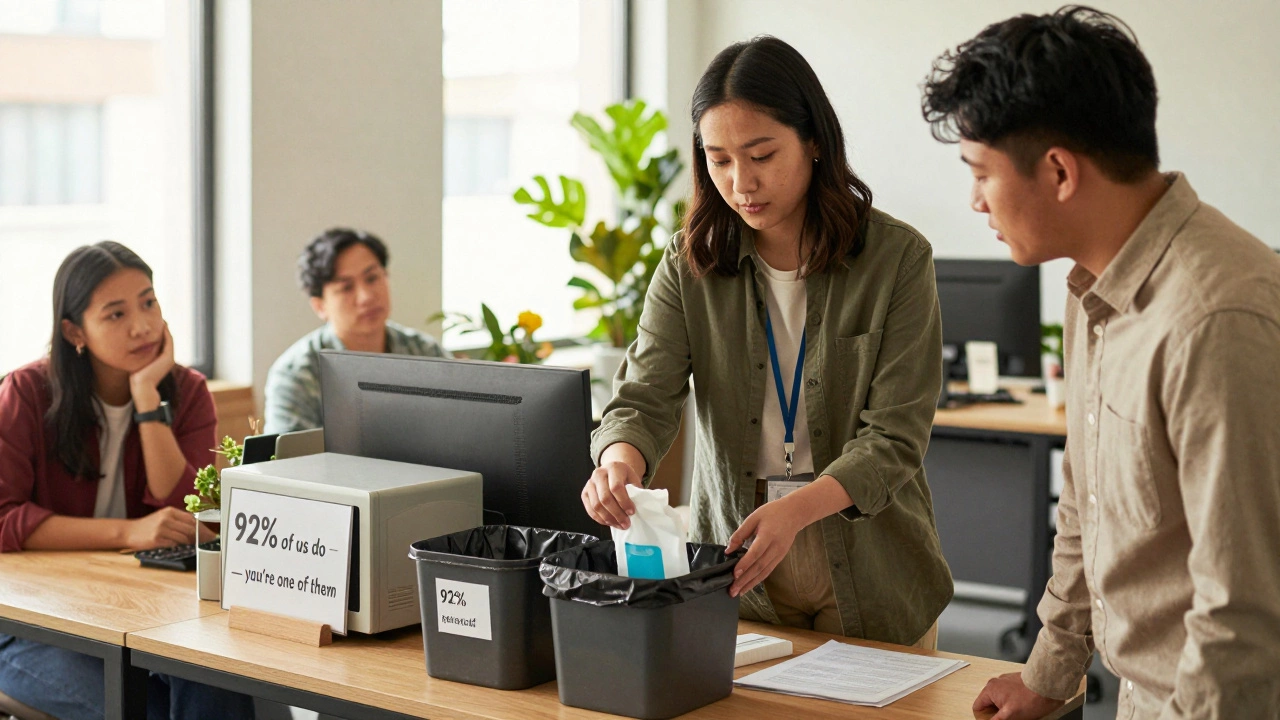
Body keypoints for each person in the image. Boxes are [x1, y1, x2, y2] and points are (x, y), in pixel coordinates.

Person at [922, 7, 1280, 718]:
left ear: (1058, 171)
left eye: (981, 174)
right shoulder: (1096, 285)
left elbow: (1243, 614)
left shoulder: (1215, 319)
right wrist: (1047, 674)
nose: (973, 201)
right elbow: (1086, 508)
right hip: (1145, 697)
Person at [583, 36, 952, 647]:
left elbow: (895, 436)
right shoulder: (688, 265)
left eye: (761, 154)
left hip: (870, 556)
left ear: (813, 142)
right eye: (718, 159)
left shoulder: (896, 258)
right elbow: (644, 397)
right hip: (738, 557)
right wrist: (617, 465)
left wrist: (800, 508)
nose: (740, 182)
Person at [0, 241, 255, 719]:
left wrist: (147, 400)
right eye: (115, 315)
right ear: (74, 331)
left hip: (140, 613)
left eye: (149, 302)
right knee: (151, 712)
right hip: (30, 624)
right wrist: (130, 532)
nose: (142, 326)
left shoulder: (189, 390)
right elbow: (3, 520)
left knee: (218, 677)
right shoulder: (26, 393)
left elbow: (191, 512)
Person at [263, 228, 448, 434]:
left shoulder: (426, 352)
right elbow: (287, 463)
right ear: (319, 306)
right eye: (346, 288)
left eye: (372, 278)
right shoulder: (297, 375)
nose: (366, 297)